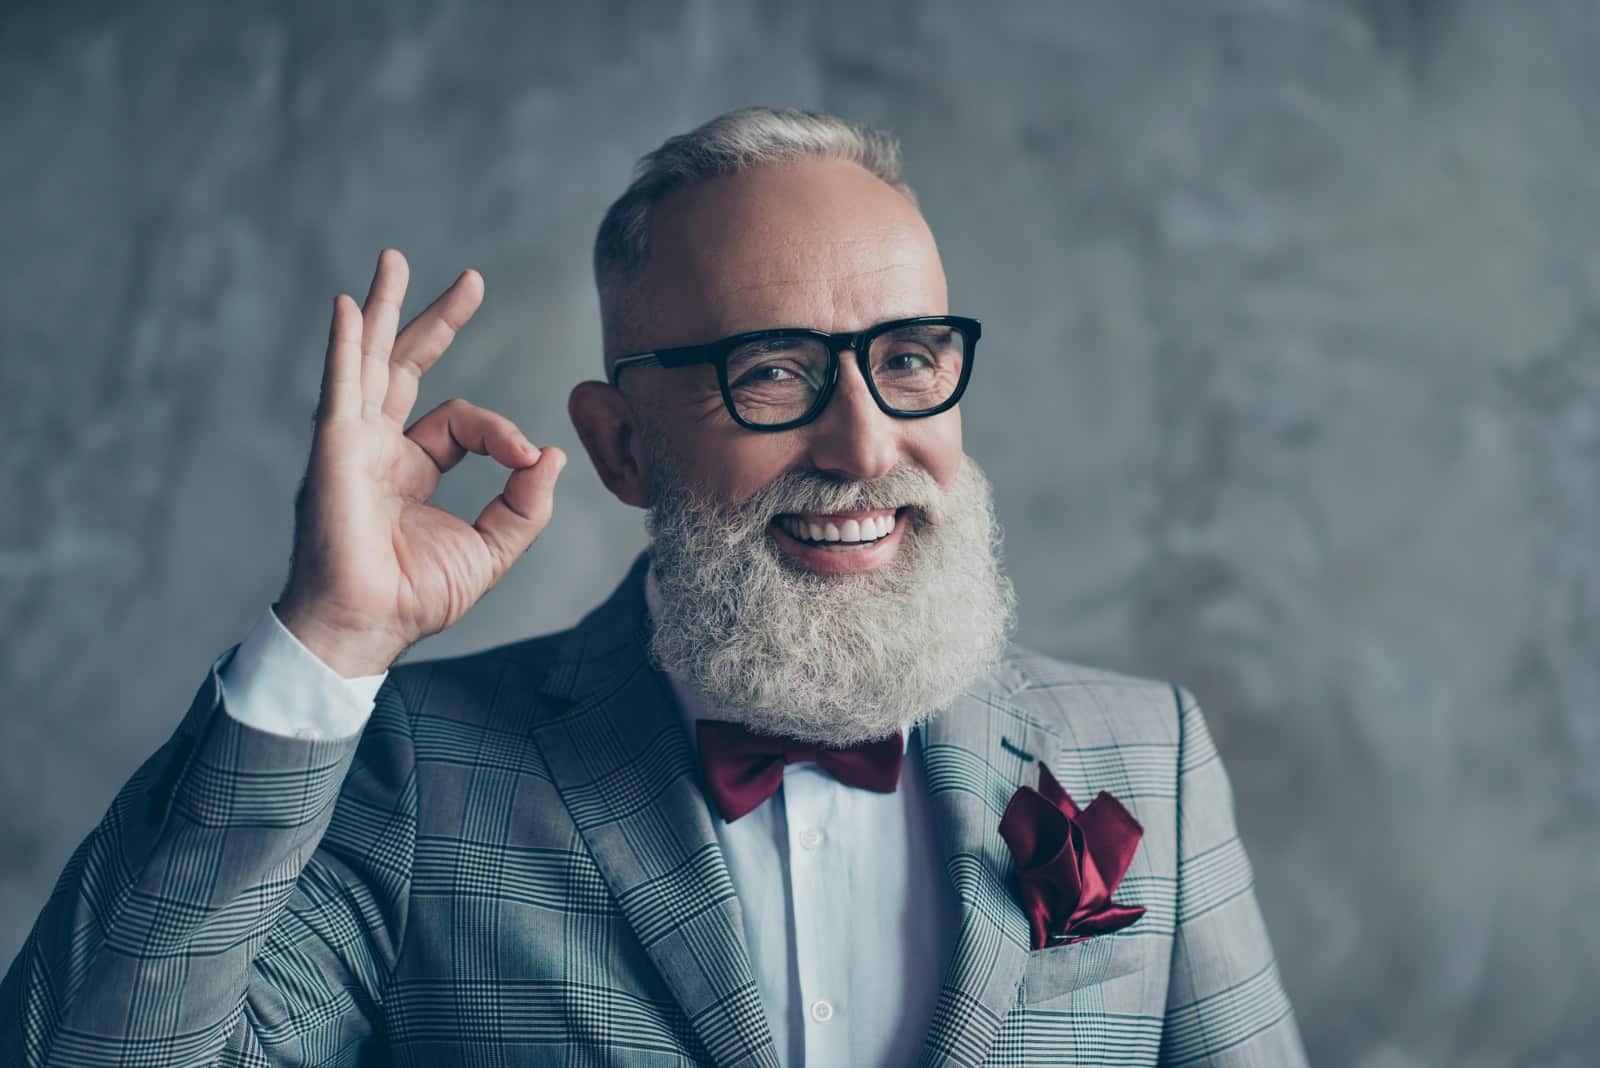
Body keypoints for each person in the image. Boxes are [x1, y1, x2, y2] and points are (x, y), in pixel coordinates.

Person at [0, 107, 1309, 1066]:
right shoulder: (415, 776)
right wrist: (330, 637)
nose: (863, 447)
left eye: (907, 360)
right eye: (778, 373)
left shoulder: (1149, 757)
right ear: (626, 444)